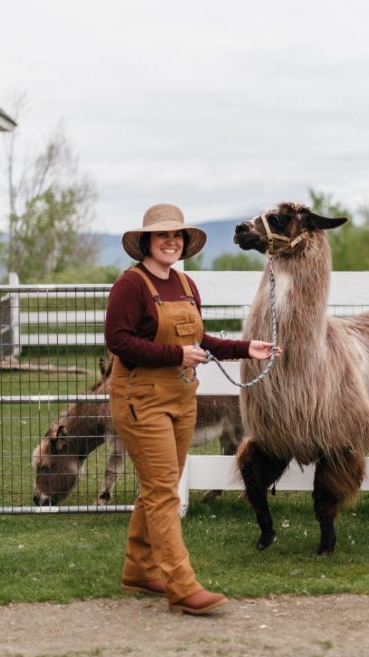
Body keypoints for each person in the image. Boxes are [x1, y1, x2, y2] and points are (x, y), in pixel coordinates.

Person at [104, 203, 279, 614]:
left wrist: (244, 349)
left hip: (182, 400)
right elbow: (119, 341)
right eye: (163, 235)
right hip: (139, 400)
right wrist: (173, 355)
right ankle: (181, 585)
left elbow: (199, 340)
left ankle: (137, 569)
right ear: (146, 241)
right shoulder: (130, 286)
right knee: (165, 490)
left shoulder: (185, 285)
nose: (171, 241)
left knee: (157, 486)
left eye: (178, 236)